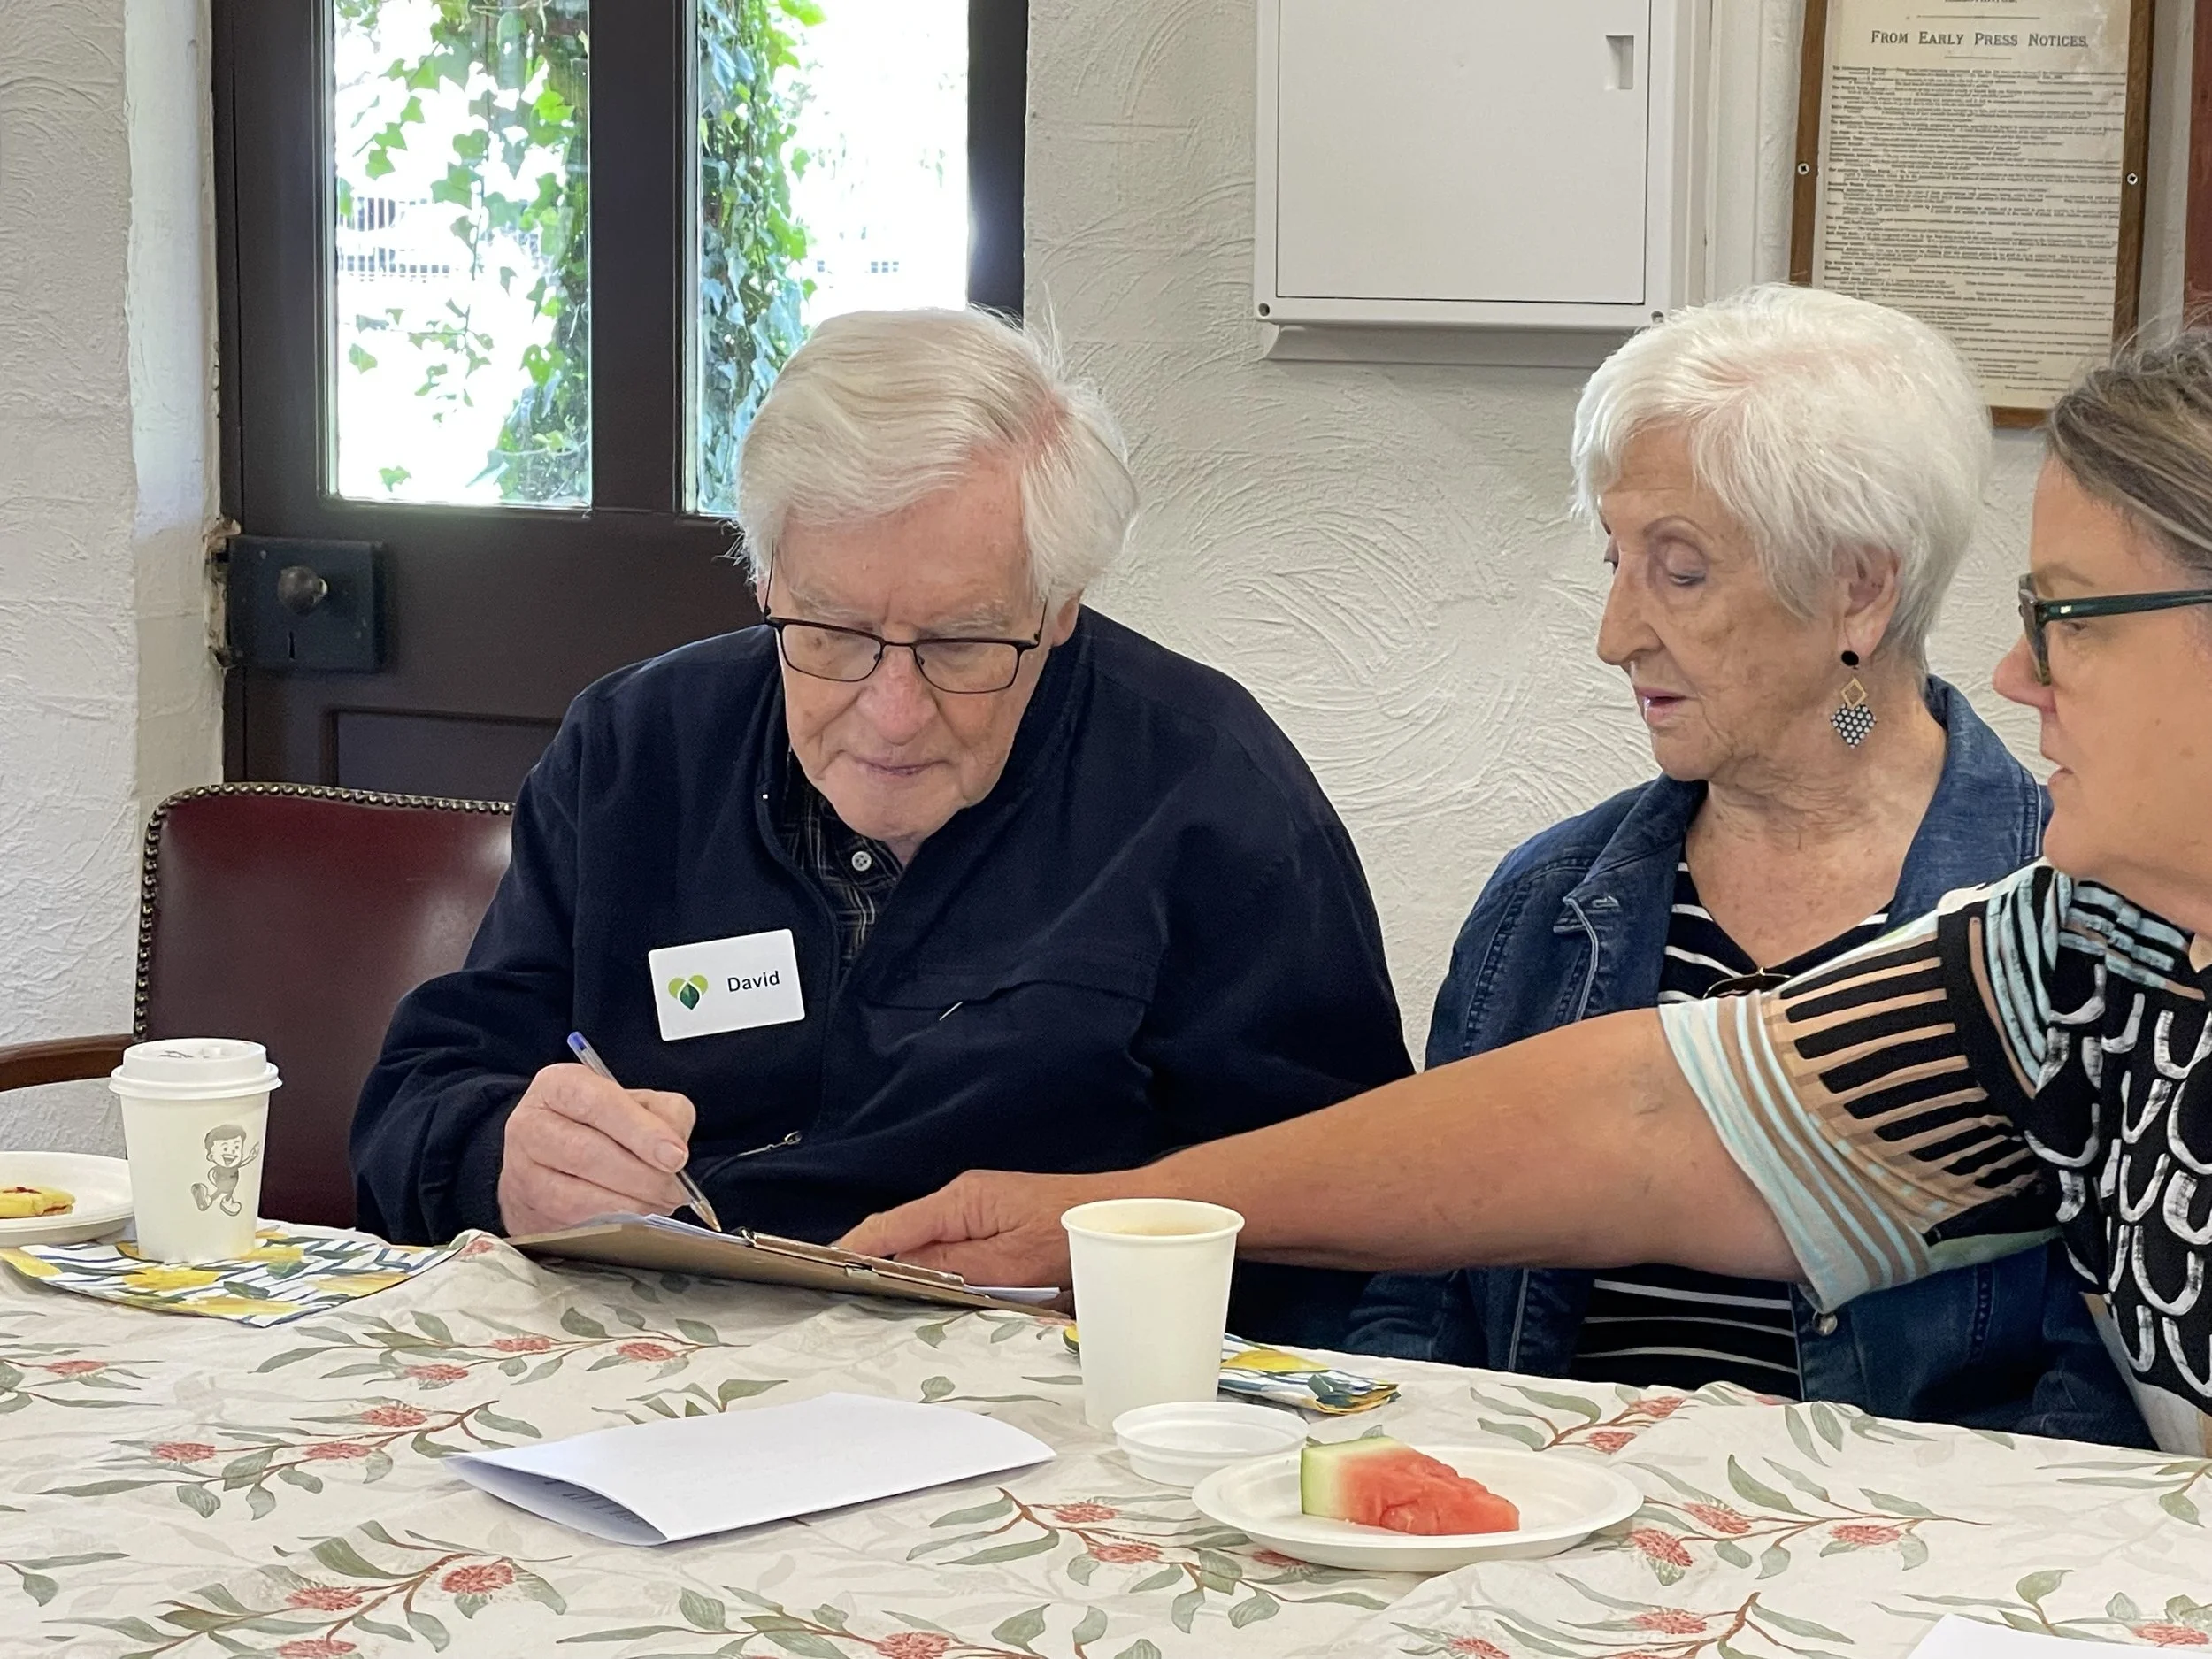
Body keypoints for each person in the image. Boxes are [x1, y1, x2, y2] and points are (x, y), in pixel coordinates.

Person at [843, 329, 2212, 1457]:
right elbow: (1649, 1119)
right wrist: (1112, 1210)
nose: (2021, 673)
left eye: (2069, 617)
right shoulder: (2084, 949)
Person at [352, 308, 1410, 1343]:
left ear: (1058, 607)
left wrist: (1119, 1259)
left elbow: (1349, 1212)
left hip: (1038, 1394)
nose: (892, 713)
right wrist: (506, 1162)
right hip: (650, 1371)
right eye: (831, 631)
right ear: (765, 580)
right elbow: (412, 1110)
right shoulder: (636, 748)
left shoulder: (1206, 788)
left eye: (960, 643)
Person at [1343, 288, 2143, 1443]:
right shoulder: (1544, 907)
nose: (1613, 635)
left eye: (1679, 570)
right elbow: (1419, 1307)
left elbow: (2097, 1417)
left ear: (1858, 588)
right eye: (1614, 558)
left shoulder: (2076, 927)